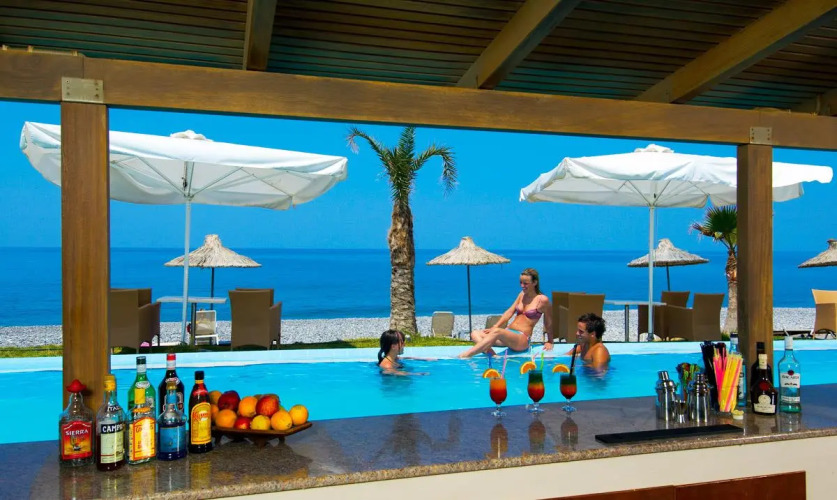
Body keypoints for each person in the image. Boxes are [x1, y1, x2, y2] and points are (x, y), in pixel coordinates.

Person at [459, 268, 553, 358]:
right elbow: (510, 311)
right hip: (509, 334)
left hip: (522, 339)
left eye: (525, 283)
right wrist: (495, 326)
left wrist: (550, 341)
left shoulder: (542, 300)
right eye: (520, 282)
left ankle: (466, 355)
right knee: (475, 333)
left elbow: (548, 322)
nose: (522, 286)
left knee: (497, 331)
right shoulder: (522, 295)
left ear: (535, 282)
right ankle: (493, 356)